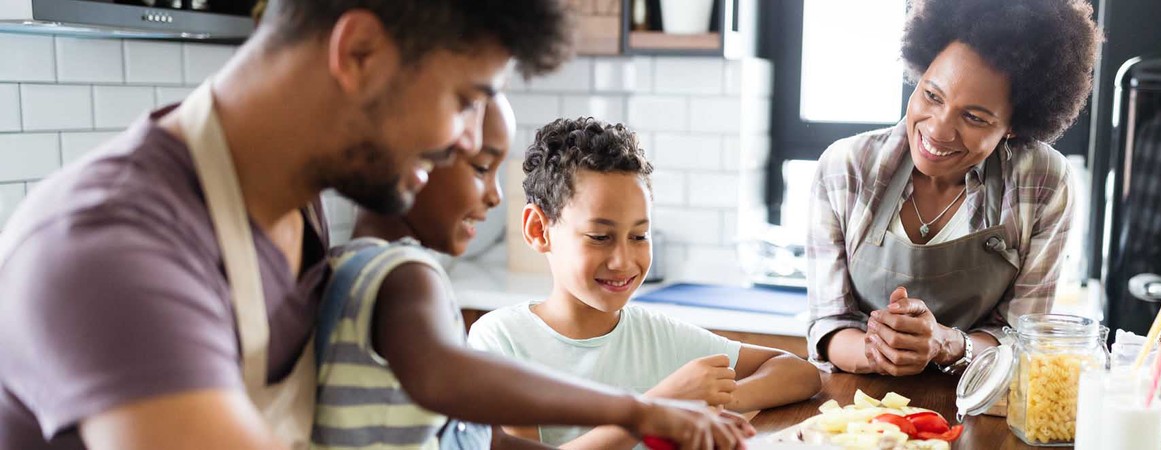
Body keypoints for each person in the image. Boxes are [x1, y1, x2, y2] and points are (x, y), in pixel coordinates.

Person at [0, 0, 743, 448]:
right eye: (463, 97)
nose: (464, 144)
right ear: (358, 53)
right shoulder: (109, 250)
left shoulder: (302, 220)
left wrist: (639, 416)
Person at [313, 98, 753, 450]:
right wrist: (639, 411)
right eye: (482, 168)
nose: (494, 196)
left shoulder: (365, 266)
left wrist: (654, 419)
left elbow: (489, 440)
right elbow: (447, 375)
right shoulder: (403, 274)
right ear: (413, 160)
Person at [468, 117, 823, 450]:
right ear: (538, 230)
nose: (623, 260)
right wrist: (658, 406)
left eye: (639, 236)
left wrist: (712, 398)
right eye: (599, 236)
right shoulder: (501, 340)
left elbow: (799, 373)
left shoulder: (656, 336)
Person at [806, 0, 1101, 376]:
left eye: (974, 117)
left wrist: (945, 345)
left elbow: (1023, 340)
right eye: (932, 95)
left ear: (1014, 126)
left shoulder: (1042, 180)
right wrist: (885, 351)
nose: (938, 130)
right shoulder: (845, 167)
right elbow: (829, 324)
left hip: (980, 409)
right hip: (859, 413)